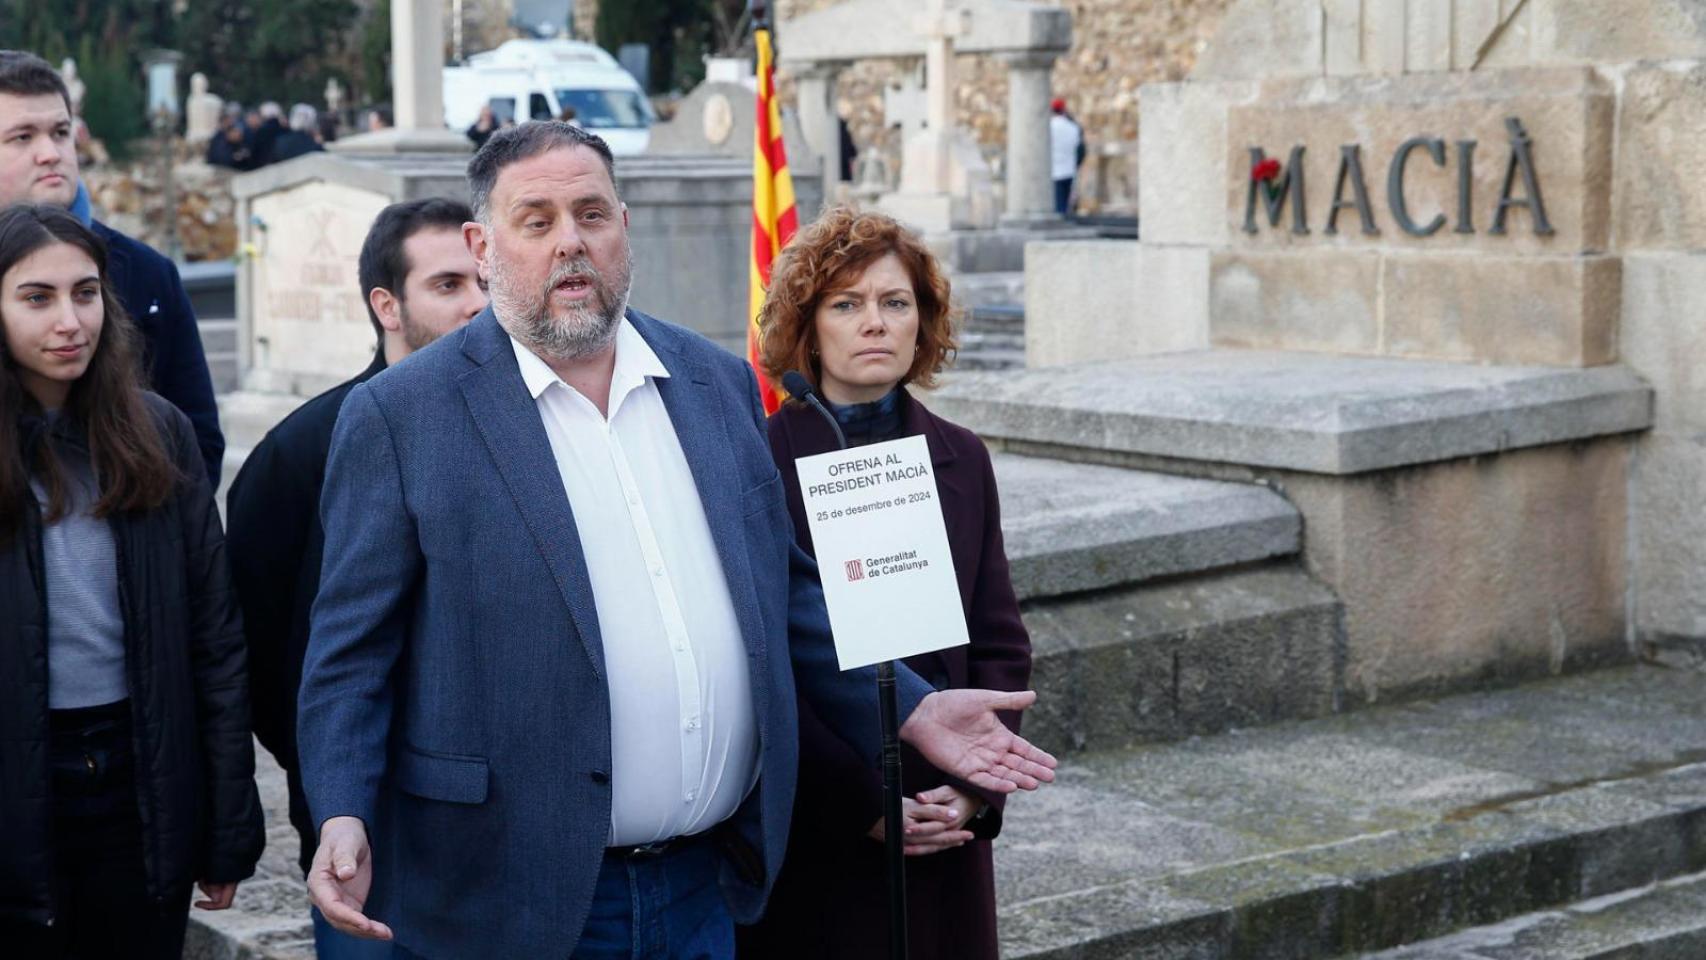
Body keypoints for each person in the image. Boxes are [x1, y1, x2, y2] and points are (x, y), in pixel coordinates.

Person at [297, 121, 1055, 959]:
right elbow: (349, 654)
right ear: (483, 244)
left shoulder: (714, 382)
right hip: (513, 896)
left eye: (591, 214)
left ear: (625, 224)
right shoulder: (403, 416)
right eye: (536, 220)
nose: (570, 243)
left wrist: (912, 707)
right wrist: (342, 809)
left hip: (703, 889)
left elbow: (786, 596)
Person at [738, 206, 1031, 959]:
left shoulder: (961, 455)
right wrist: (861, 802)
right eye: (847, 304)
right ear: (808, 326)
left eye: (895, 303)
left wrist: (973, 790)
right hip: (826, 824)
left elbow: (997, 637)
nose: (876, 323)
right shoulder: (755, 464)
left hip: (944, 814)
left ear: (921, 323)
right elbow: (762, 659)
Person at [225, 197, 486, 959]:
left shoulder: (537, 431)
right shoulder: (302, 450)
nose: (477, 303)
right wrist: (329, 778)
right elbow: (262, 641)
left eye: (484, 280)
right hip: (366, 829)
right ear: (387, 305)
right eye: (447, 285)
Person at [0, 203, 264, 957]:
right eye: (37, 297)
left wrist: (227, 825)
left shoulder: (157, 432)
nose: (69, 320)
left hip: (137, 775)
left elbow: (214, 641)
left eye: (85, 293)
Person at [0, 51, 226, 485]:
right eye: (23, 137)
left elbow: (198, 446)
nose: (50, 153)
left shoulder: (146, 274)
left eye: (60, 132)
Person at [1049, 97, 1085, 217]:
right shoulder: (1073, 127)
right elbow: (1080, 148)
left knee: (1055, 200)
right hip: (1069, 167)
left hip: (1053, 168)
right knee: (1065, 199)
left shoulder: (1048, 127)